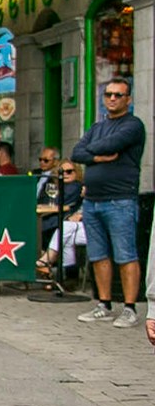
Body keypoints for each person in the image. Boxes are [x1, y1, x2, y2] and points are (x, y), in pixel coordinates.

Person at [73, 78, 146, 327]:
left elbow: (111, 144)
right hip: (92, 200)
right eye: (108, 94)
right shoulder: (97, 126)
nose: (112, 99)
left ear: (128, 99)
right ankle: (103, 304)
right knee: (98, 255)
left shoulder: (133, 125)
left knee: (126, 254)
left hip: (120, 199)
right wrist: (100, 157)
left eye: (118, 95)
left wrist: (92, 153)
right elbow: (76, 153)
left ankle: (129, 308)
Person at [37, 161, 85, 274]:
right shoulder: (53, 184)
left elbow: (61, 200)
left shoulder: (76, 186)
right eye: (62, 172)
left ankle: (46, 264)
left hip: (66, 219)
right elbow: (42, 200)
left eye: (69, 171)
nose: (65, 174)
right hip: (58, 219)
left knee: (60, 229)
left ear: (76, 173)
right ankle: (59, 274)